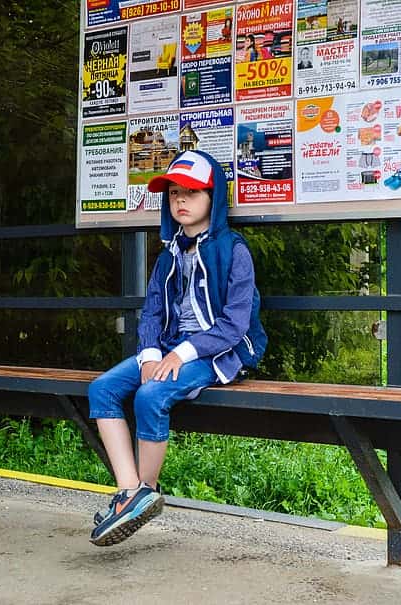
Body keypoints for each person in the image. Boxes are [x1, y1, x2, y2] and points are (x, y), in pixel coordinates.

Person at [87, 150, 268, 547]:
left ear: (213, 198)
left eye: (192, 193)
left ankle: (142, 492)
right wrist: (151, 353)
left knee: (151, 396)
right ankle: (130, 492)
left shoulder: (233, 251)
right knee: (101, 389)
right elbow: (151, 310)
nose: (181, 201)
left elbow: (234, 325)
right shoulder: (168, 253)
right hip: (166, 349)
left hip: (213, 354)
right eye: (173, 194)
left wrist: (180, 354)